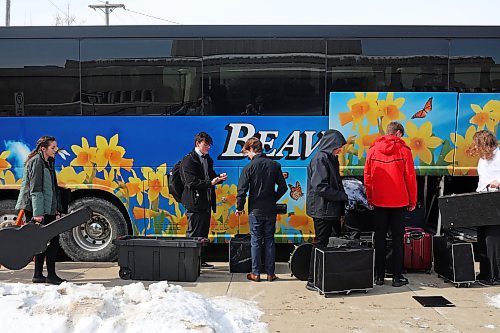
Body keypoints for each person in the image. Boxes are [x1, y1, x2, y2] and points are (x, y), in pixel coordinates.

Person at [364, 121, 417, 287]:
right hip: (399, 202)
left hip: (379, 201)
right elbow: (410, 177)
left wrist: (370, 198)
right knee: (397, 239)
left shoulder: (372, 150)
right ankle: (396, 276)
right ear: (399, 133)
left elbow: (368, 177)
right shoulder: (404, 151)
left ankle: (378, 276)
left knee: (379, 238)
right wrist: (412, 200)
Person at [235, 137, 287, 282]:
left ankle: (256, 273)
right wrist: (273, 198)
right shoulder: (274, 165)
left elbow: (242, 190)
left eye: (247, 153)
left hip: (255, 210)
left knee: (256, 241)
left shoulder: (249, 167)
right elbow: (283, 187)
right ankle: (271, 273)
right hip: (270, 209)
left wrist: (239, 207)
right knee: (270, 240)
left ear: (252, 149)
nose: (247, 156)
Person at [15, 135, 65, 285]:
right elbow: (36, 190)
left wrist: (56, 209)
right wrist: (37, 214)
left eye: (56, 147)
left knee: (43, 241)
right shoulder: (36, 162)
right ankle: (50, 275)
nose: (56, 150)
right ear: (43, 148)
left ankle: (39, 275)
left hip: (45, 206)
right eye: (53, 147)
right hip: (36, 207)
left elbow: (52, 189)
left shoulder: (48, 161)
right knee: (52, 240)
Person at [305, 129, 349, 291]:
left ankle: (319, 276)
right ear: (332, 145)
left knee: (324, 243)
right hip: (322, 209)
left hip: (328, 209)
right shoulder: (321, 159)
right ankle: (312, 279)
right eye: (339, 147)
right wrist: (341, 196)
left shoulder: (329, 158)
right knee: (320, 243)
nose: (340, 150)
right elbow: (320, 186)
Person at [181, 132, 227, 269]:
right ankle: (188, 262)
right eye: (205, 145)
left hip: (206, 202)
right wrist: (210, 183)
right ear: (197, 144)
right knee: (193, 233)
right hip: (194, 203)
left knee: (203, 234)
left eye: (209, 145)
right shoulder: (189, 160)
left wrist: (218, 178)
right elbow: (190, 182)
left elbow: (210, 177)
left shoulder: (207, 159)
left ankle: (200, 260)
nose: (208, 148)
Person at [470, 130, 500, 286]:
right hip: (483, 198)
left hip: (495, 199)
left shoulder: (499, 155)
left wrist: (498, 181)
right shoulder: (483, 159)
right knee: (481, 237)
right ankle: (484, 273)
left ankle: (495, 275)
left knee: (492, 239)